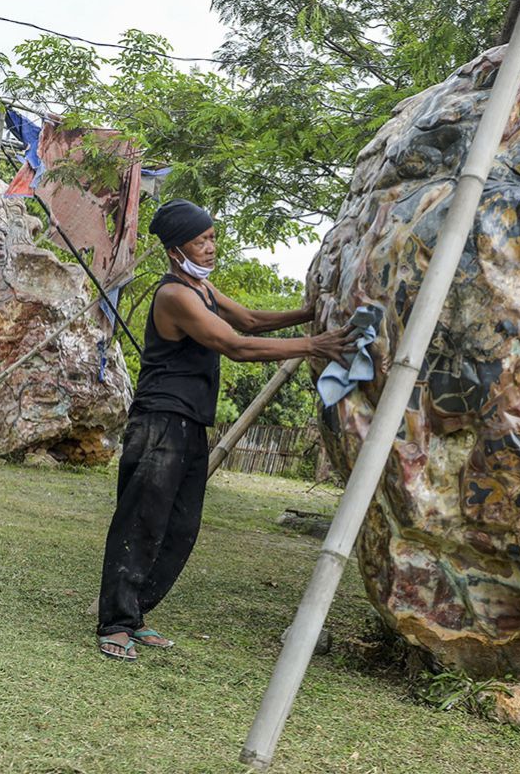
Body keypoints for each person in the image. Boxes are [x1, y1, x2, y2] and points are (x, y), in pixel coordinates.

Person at [95, 199, 357, 661]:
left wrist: (313, 313)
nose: (212, 247)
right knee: (143, 519)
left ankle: (134, 615)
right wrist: (315, 344)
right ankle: (114, 622)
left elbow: (251, 320)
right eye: (202, 240)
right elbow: (235, 345)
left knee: (181, 527)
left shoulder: (204, 290)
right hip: (158, 423)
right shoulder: (174, 295)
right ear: (177, 250)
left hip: (191, 422)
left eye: (213, 237)